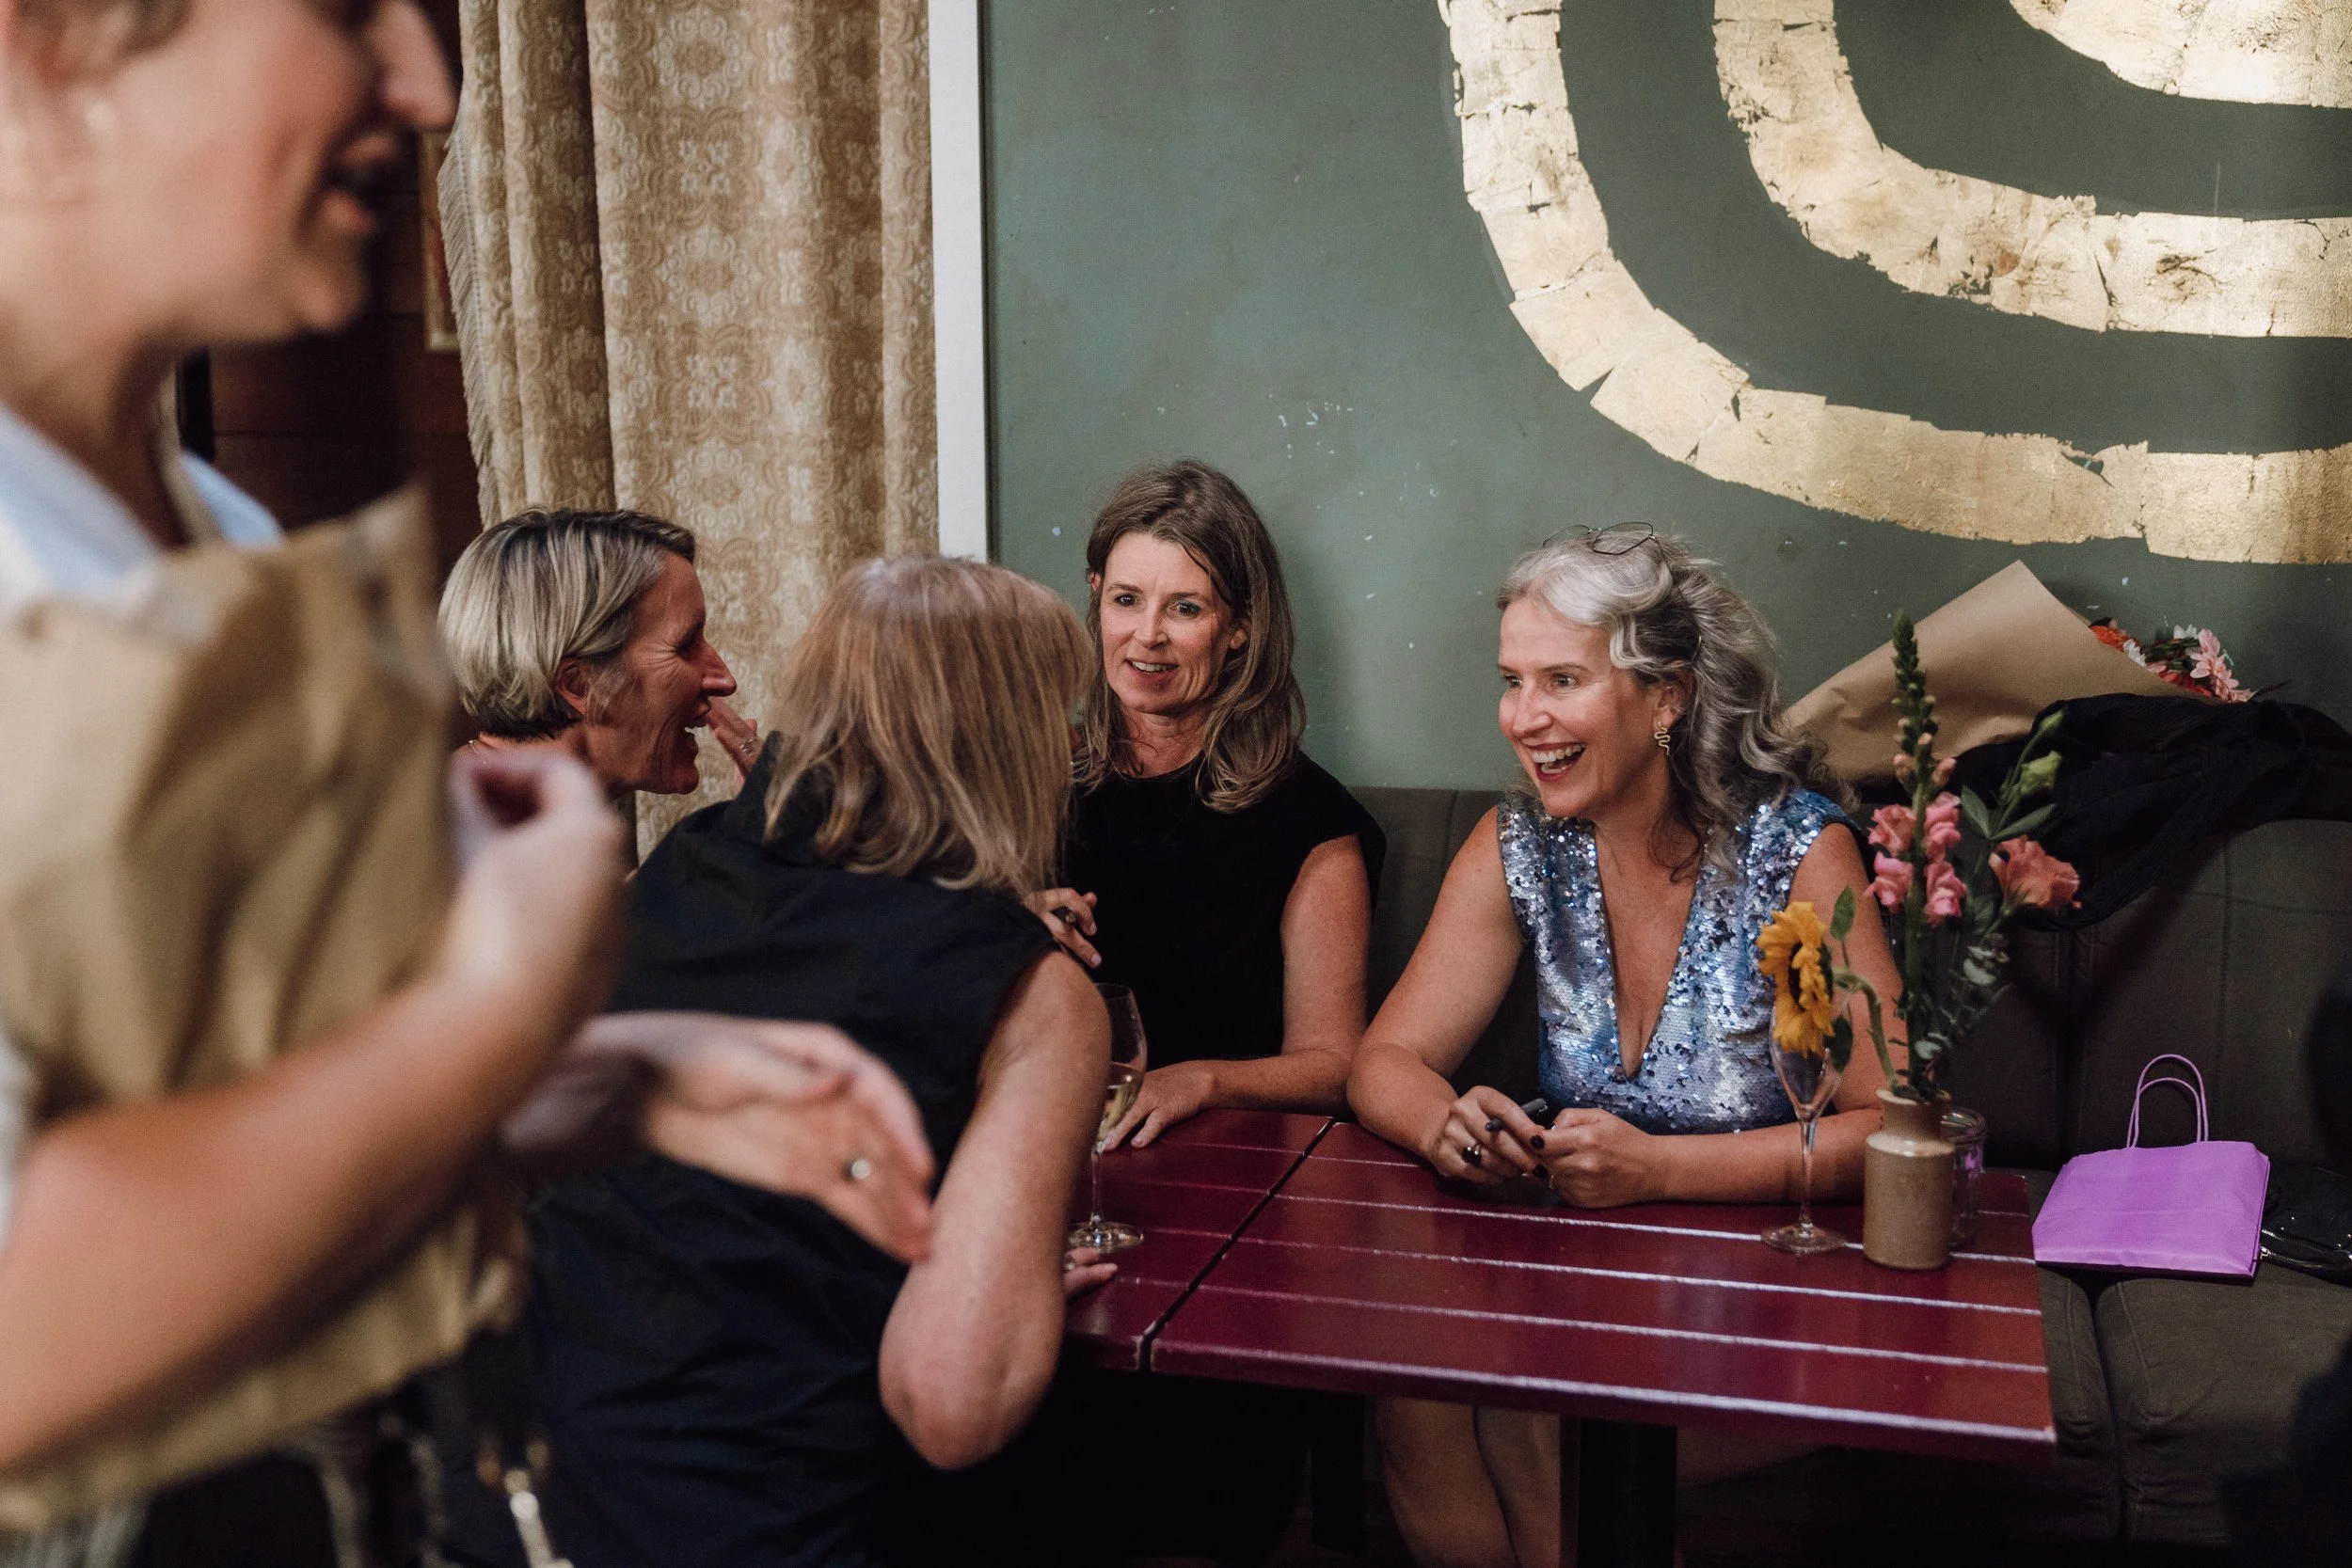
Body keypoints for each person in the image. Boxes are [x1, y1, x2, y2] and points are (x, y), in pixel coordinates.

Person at [0, 3, 930, 1559]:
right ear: (51, 41)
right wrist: (491, 1019)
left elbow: (225, 1135)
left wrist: (606, 1086)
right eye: (344, 11)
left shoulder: (218, 532)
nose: (428, 84)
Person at [516, 557, 1112, 1568]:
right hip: (739, 1525)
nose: (1072, 745)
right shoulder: (1034, 991)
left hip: (500, 1497)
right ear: (1001, 738)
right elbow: (951, 1404)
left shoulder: (677, 869)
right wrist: (1005, 1286)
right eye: (1057, 713)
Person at [1346, 528, 1900, 1568]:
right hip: (1590, 1273)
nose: (1525, 717)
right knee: (1413, 1385)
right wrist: (1445, 1124)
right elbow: (1383, 1062)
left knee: (1538, 1408)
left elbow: (1892, 1131)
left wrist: (1657, 1168)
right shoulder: (1521, 843)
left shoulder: (1797, 849)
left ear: (1666, 697)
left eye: (1562, 679)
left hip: (1769, 1275)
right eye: (1512, 681)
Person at [981, 460, 1381, 1567]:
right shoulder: (1024, 785)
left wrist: (1200, 1077)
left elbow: (1335, 1062)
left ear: (1239, 630)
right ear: (1094, 600)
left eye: (1186, 607)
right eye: (1126, 599)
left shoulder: (1311, 826)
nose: (1147, 636)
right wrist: (998, 920)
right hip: (1047, 1187)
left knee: (1183, 1488)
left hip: (1227, 1219)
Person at [438, 507, 763, 800]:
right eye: (686, 646)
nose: (725, 680)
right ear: (580, 685)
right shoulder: (450, 832)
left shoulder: (539, 811)